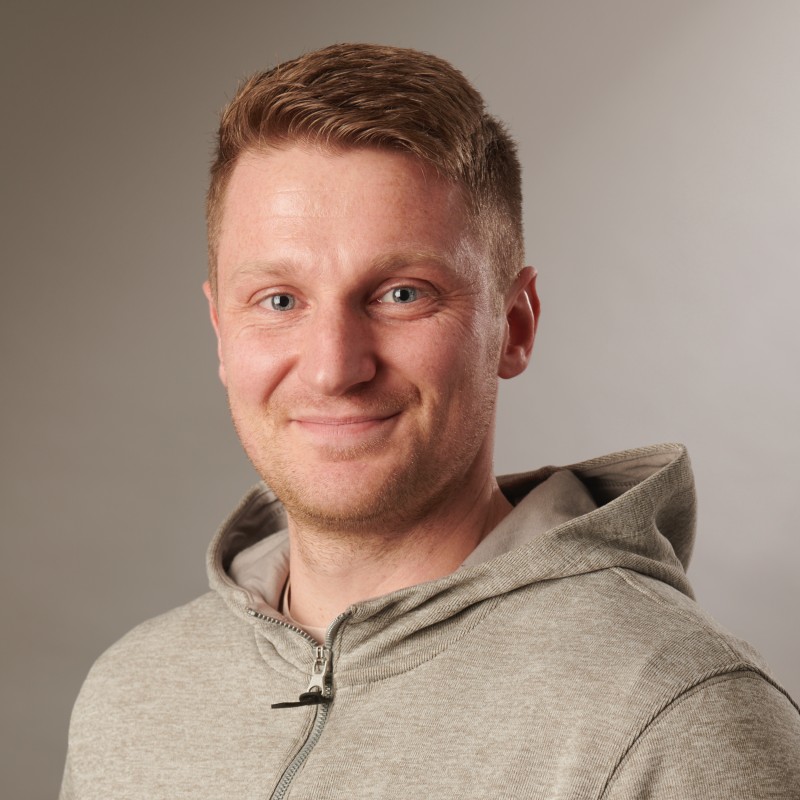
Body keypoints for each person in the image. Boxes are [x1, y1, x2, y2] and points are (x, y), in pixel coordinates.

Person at [60, 43, 800, 799]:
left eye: (402, 294)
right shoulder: (129, 699)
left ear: (514, 325)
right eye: (278, 300)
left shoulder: (674, 713)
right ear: (221, 331)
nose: (334, 368)